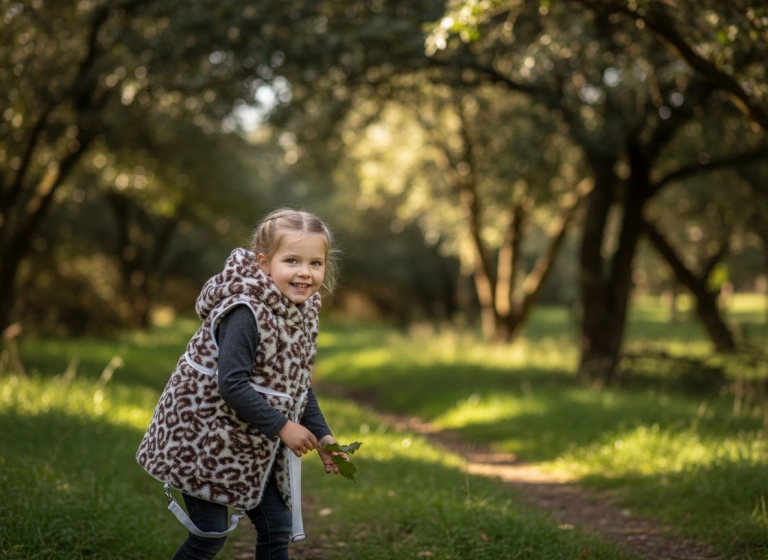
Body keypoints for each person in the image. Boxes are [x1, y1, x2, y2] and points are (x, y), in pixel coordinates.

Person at [136, 208, 346, 560]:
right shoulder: (246, 310)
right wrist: (283, 427)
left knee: (277, 526)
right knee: (208, 537)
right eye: (292, 260)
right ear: (264, 263)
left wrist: (322, 435)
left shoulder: (303, 310)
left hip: (248, 441)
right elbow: (231, 385)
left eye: (315, 263)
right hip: (204, 440)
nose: (304, 273)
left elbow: (296, 385)